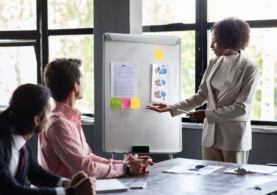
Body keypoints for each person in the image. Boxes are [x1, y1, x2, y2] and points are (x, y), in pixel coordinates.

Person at [146, 17, 259, 164]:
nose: (212, 45)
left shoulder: (249, 67)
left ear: (228, 40)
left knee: (233, 183)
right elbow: (202, 95)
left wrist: (205, 114)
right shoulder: (214, 62)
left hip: (233, 137)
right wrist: (171, 107)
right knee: (210, 182)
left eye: (215, 40)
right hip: (210, 136)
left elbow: (241, 108)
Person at [38, 58, 153, 179]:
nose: (84, 84)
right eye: (82, 80)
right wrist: (127, 169)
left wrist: (125, 164)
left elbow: (88, 157)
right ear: (75, 86)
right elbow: (85, 168)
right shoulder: (58, 124)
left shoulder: (69, 119)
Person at [0, 84, 96, 195]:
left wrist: (66, 183)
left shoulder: (18, 139)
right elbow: (11, 191)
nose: (50, 117)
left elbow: (36, 172)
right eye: (48, 112)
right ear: (37, 120)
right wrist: (70, 192)